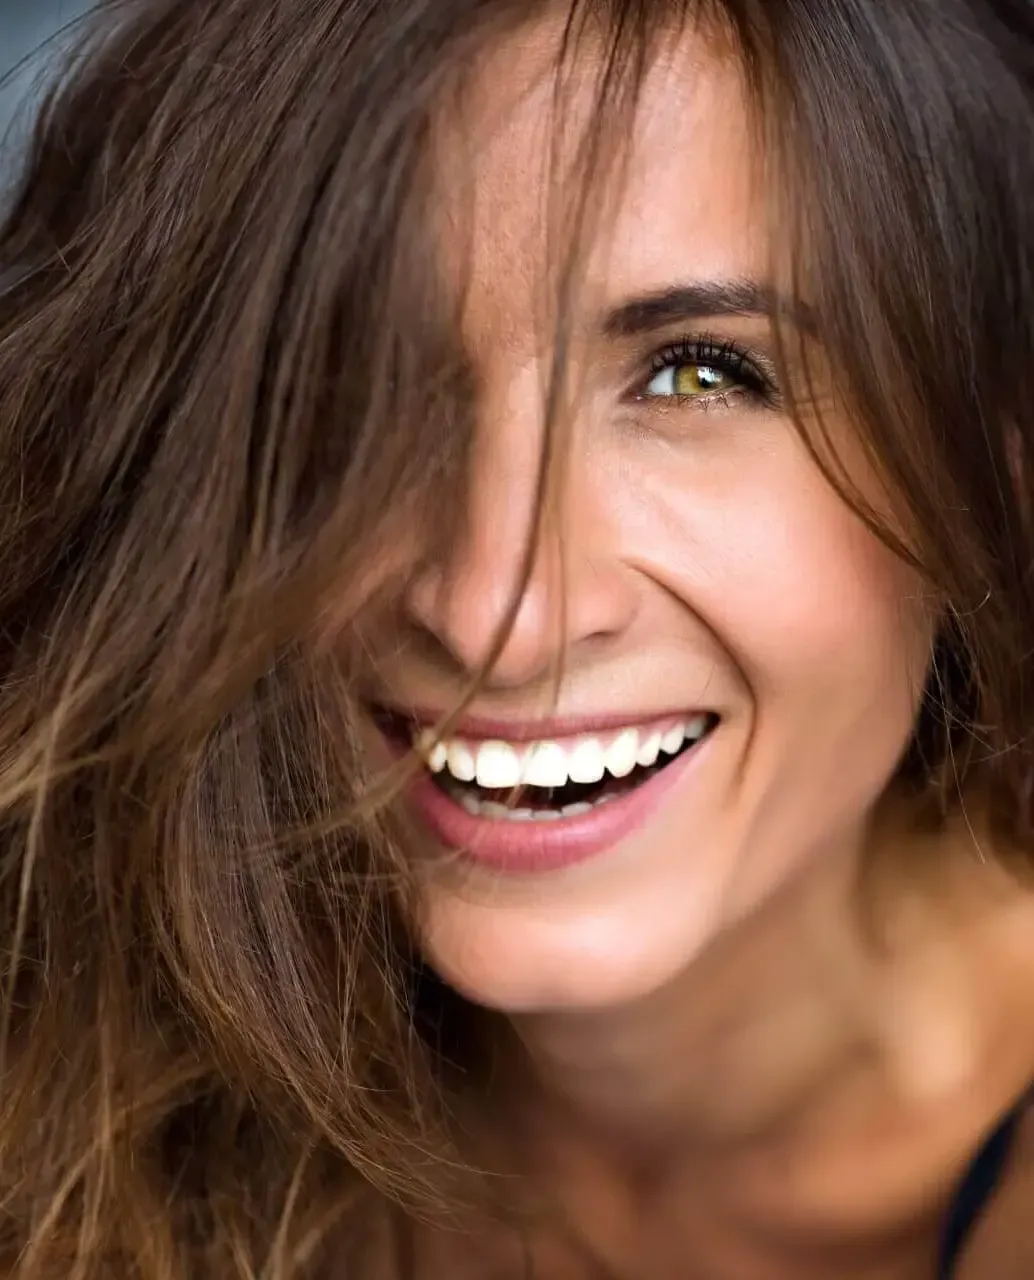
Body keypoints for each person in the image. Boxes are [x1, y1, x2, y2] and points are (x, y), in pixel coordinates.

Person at [2, 0, 1034, 1276]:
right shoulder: (66, 1081)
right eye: (359, 375)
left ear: (996, 472)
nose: (498, 607)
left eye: (700, 374)